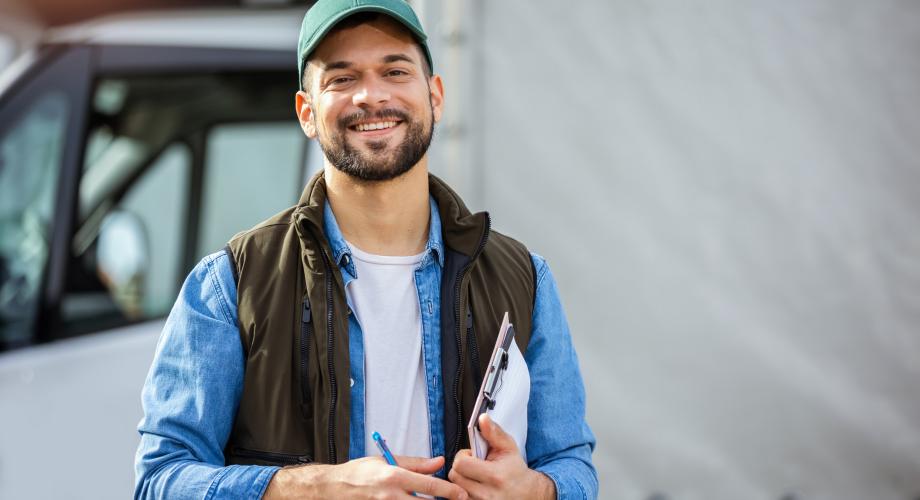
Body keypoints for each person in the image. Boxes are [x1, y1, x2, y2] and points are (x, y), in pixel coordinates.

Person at [134, 0, 597, 498]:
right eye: (341, 78)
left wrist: (537, 491)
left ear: (435, 97)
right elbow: (161, 478)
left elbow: (572, 465)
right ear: (307, 112)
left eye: (395, 70)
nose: (371, 96)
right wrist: (316, 488)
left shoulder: (525, 278)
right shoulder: (231, 282)